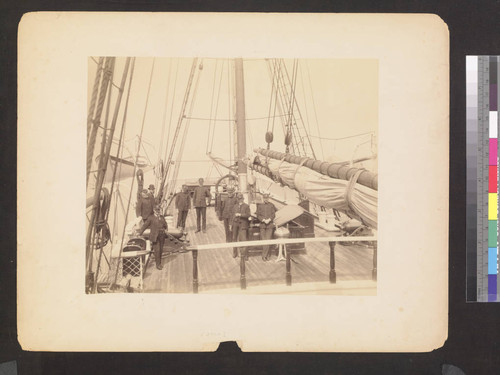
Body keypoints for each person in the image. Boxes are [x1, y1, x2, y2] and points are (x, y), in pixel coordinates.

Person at [137, 205, 168, 270]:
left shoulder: (162, 217)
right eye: (157, 210)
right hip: (155, 237)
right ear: (154, 211)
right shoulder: (151, 218)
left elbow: (165, 224)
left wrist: (166, 229)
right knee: (157, 250)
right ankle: (158, 264)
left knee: (161, 250)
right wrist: (140, 233)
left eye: (159, 210)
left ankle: (158, 261)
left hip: (162, 236)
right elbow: (145, 226)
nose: (158, 212)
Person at [256, 193, 277, 261]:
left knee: (267, 240)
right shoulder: (260, 206)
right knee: (264, 241)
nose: (266, 199)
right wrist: (263, 220)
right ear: (263, 198)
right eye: (265, 198)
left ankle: (264, 256)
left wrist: (269, 219)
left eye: (267, 198)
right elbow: (258, 215)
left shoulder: (271, 205)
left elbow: (273, 214)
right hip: (262, 225)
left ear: (268, 198)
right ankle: (266, 255)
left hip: (269, 226)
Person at [231, 193, 251, 259]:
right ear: (237, 199)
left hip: (243, 224)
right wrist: (231, 224)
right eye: (239, 199)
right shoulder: (235, 206)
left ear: (243, 199)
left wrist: (240, 214)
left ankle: (244, 254)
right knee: (234, 239)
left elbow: (248, 215)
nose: (240, 200)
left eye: (241, 199)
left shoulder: (246, 206)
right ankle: (235, 253)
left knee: (243, 239)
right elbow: (232, 215)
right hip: (235, 224)